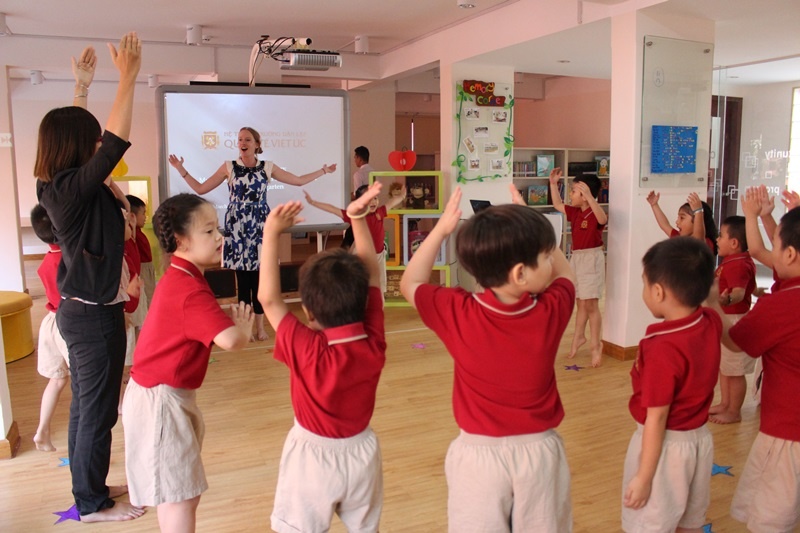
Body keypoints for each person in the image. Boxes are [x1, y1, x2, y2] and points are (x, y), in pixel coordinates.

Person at [400, 185, 577, 532]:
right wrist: (532, 220)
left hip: (477, 458)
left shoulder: (457, 311)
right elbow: (566, 276)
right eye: (545, 255)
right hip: (539, 454)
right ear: (521, 274)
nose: (550, 261)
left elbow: (411, 282)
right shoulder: (550, 311)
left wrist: (441, 231)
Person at [34, 33, 144, 522]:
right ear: (79, 147)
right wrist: (128, 78)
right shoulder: (71, 188)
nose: (99, 144)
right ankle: (92, 503)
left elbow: (83, 140)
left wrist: (81, 89)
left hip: (87, 313)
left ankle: (90, 487)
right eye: (91, 140)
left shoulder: (59, 182)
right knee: (97, 414)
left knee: (87, 409)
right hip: (93, 318)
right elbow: (114, 143)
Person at [258, 183, 387, 533]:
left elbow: (268, 300)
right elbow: (373, 275)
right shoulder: (372, 341)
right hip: (362, 452)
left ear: (309, 311)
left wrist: (270, 233)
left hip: (311, 457)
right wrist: (358, 218)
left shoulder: (308, 348)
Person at [122, 193, 253, 533]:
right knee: (179, 496)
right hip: (160, 401)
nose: (219, 237)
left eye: (217, 229)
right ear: (181, 240)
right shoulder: (188, 287)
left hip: (166, 397)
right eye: (208, 231)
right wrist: (242, 329)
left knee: (180, 493)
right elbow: (231, 340)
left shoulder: (185, 276)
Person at [168, 128, 336, 342]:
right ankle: (244, 328)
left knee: (259, 279)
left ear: (257, 144)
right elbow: (201, 189)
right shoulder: (229, 166)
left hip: (259, 225)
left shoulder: (267, 167)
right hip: (237, 227)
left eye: (247, 139)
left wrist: (323, 171)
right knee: (243, 280)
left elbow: (298, 180)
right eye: (240, 139)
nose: (242, 143)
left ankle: (260, 327)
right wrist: (181, 169)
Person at [709, 206, 800, 533]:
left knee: (770, 518)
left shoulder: (784, 305)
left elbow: (736, 342)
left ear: (789, 254)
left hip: (789, 433)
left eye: (776, 245)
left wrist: (711, 302)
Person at [621, 237, 720, 533]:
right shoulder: (710, 320)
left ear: (658, 291)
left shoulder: (662, 347)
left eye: (644, 284)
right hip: (699, 442)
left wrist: (644, 477)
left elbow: (658, 416)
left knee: (649, 525)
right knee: (689, 522)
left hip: (665, 450)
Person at [549, 168, 608, 367]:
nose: (571, 195)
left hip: (591, 259)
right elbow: (557, 204)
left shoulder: (595, 212)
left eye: (574, 191)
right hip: (577, 258)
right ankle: (579, 336)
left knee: (591, 304)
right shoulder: (574, 212)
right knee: (580, 302)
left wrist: (590, 197)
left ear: (584, 194)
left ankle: (595, 345)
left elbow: (602, 219)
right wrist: (553, 184)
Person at [304, 183, 405, 295]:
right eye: (369, 199)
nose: (373, 202)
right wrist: (313, 202)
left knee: (379, 286)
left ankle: (378, 299)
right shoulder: (356, 216)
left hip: (378, 255)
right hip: (362, 255)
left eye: (375, 198)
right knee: (361, 283)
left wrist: (401, 196)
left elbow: (391, 202)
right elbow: (333, 209)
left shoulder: (379, 213)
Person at [707, 215, 756, 424]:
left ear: (734, 243)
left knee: (735, 370)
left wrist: (726, 299)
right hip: (727, 320)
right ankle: (725, 404)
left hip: (735, 320)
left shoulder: (738, 264)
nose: (717, 239)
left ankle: (734, 410)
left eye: (721, 236)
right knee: (726, 367)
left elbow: (738, 292)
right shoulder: (733, 261)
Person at [30, 204, 70, 452]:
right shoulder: (68, 259)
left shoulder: (45, 261)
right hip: (68, 324)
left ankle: (42, 430)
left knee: (56, 380)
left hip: (50, 322)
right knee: (83, 384)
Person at [646, 191, 718, 254]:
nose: (677, 222)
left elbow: (698, 242)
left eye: (682, 218)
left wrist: (698, 212)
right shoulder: (681, 239)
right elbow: (664, 225)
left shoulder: (707, 243)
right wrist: (654, 205)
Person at [342, 146, 375, 249]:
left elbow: (358, 195)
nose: (354, 160)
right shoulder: (374, 172)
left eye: (355, 157)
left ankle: (344, 255)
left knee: (349, 238)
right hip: (373, 209)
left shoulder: (358, 174)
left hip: (362, 211)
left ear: (359, 158)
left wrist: (346, 197)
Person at [127, 194, 156, 305]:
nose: (145, 217)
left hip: (147, 270)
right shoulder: (130, 233)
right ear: (132, 215)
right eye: (143, 213)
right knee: (146, 301)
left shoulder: (138, 232)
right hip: (141, 271)